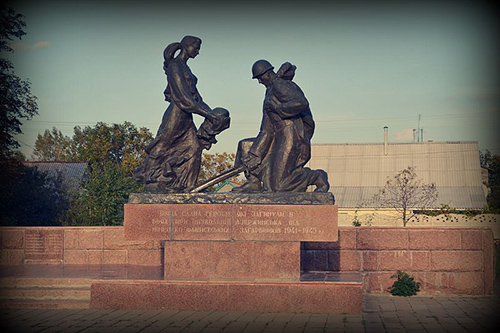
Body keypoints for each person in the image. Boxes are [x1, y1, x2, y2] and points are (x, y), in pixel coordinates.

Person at [133, 36, 229, 193]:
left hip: (186, 117)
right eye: (196, 48)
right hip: (175, 116)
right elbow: (184, 98)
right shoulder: (175, 66)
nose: (198, 52)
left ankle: (187, 186)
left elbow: (196, 97)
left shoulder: (185, 67)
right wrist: (209, 116)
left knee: (195, 148)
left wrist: (211, 113)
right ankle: (148, 177)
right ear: (187, 46)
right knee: (161, 148)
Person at [233, 59, 329, 193]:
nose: (259, 81)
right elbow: (266, 130)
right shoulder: (269, 91)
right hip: (276, 136)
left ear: (267, 74)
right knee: (245, 146)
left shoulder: (280, 84)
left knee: (279, 186)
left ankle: (317, 177)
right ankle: (253, 182)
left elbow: (301, 103)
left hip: (291, 136)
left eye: (260, 78)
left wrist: (278, 108)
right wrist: (255, 154)